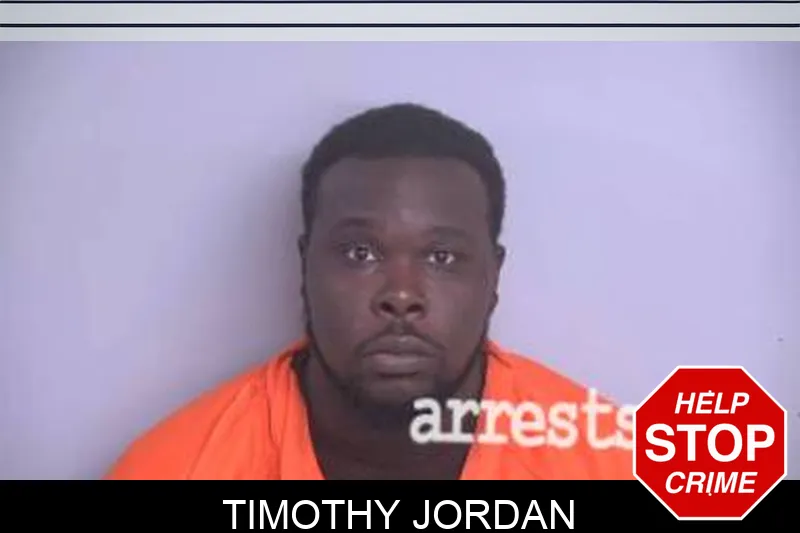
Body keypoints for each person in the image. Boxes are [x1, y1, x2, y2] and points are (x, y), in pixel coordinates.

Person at [106, 103, 633, 480]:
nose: (401, 295)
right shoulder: (172, 469)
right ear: (305, 267)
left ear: (493, 279)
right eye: (360, 253)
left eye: (442, 257)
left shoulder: (616, 464)